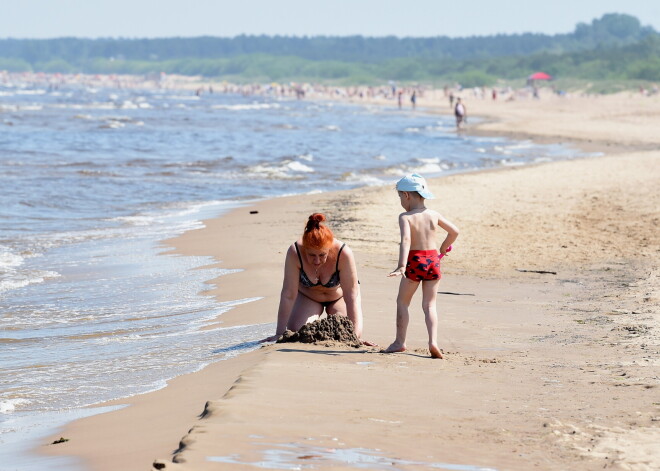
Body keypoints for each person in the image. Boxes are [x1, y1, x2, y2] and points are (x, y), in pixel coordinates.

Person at [263, 213, 373, 344]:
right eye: (311, 255)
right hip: (308, 297)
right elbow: (288, 294)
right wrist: (279, 333)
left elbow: (351, 296)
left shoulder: (343, 252)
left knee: (344, 331)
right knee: (299, 332)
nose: (316, 261)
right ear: (304, 249)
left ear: (330, 248)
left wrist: (355, 337)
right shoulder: (295, 252)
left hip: (339, 297)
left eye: (322, 255)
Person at [384, 174, 459, 358]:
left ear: (407, 195)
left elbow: (406, 241)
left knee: (402, 302)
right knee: (430, 305)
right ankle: (433, 342)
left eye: (400, 196)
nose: (401, 200)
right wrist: (443, 247)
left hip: (415, 260)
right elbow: (454, 231)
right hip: (433, 260)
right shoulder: (434, 214)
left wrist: (401, 265)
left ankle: (400, 342)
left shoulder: (405, 217)